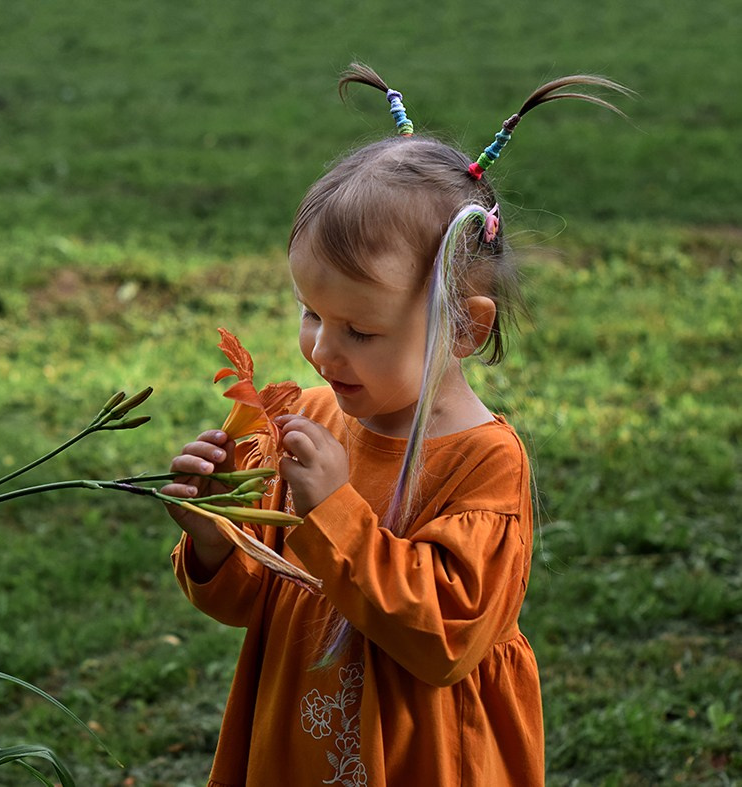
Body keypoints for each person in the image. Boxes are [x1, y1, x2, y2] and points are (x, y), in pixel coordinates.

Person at [164, 64, 628, 786]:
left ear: (464, 331)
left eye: (360, 330)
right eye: (311, 313)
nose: (321, 350)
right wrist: (213, 532)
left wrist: (332, 508)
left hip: (425, 752)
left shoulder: (482, 463)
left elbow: (443, 639)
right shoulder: (311, 418)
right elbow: (256, 597)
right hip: (295, 741)